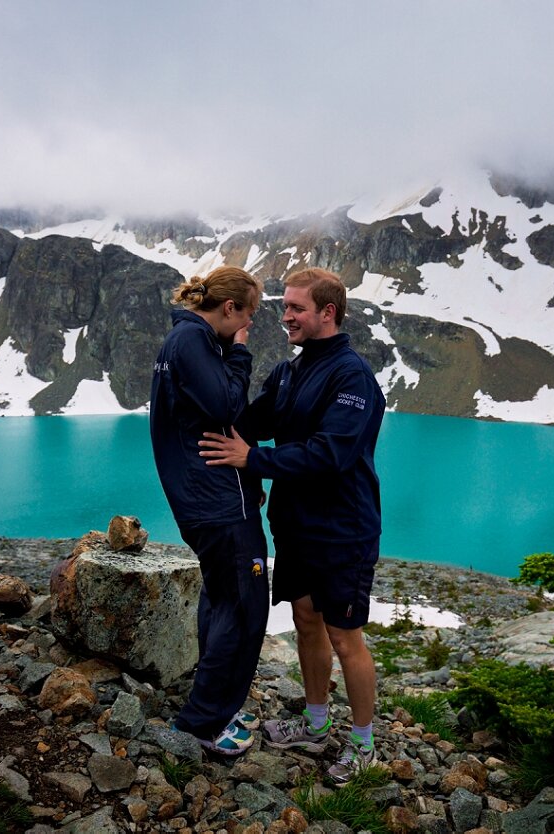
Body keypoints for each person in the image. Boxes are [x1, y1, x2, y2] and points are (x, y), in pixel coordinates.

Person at [198, 267, 386, 783]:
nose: (285, 318)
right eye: (283, 308)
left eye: (296, 309)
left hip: (343, 530)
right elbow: (251, 421)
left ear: (327, 312)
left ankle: (365, 744)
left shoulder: (352, 377)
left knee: (345, 636)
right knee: (306, 620)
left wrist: (252, 462)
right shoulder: (290, 372)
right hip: (298, 527)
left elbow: (331, 454)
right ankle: (316, 723)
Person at [150, 265, 268, 757]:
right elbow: (225, 404)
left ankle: (215, 704)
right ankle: (205, 722)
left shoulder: (188, 340)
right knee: (244, 607)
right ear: (228, 308)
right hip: (219, 504)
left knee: (222, 600)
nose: (251, 325)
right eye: (249, 316)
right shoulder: (193, 342)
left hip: (208, 500)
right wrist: (239, 352)